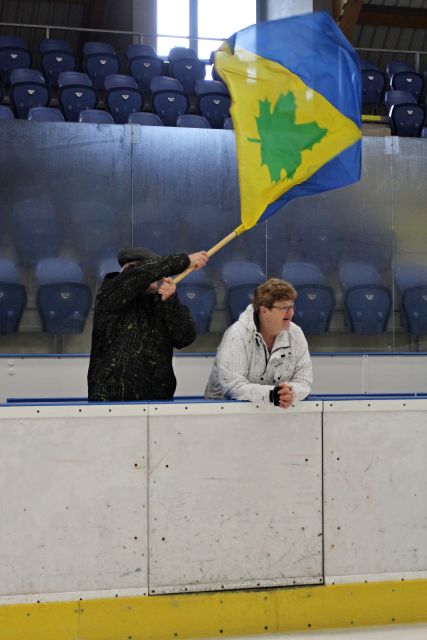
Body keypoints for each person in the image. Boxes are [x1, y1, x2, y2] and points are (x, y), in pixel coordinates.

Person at [88, 246, 208, 401]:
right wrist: (186, 261)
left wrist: (170, 301)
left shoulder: (160, 301)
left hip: (158, 400)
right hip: (113, 401)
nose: (158, 276)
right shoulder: (112, 290)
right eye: (153, 270)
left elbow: (184, 337)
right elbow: (142, 274)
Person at [205, 278, 312, 408]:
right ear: (264, 310)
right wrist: (272, 395)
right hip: (223, 412)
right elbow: (233, 386)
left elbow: (304, 382)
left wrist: (291, 392)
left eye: (292, 307)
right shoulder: (237, 334)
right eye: (284, 307)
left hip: (273, 412)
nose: (291, 312)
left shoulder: (296, 334)